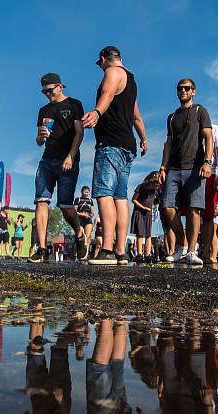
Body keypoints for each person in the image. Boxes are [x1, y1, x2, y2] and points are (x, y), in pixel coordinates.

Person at [82, 46, 148, 266]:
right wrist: (144, 138)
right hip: (127, 145)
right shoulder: (130, 80)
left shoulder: (112, 72)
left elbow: (107, 94)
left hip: (111, 144)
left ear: (103, 59)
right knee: (120, 197)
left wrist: (97, 112)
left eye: (99, 64)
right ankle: (121, 252)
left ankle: (108, 250)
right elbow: (136, 115)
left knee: (103, 193)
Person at [28, 73, 86, 263]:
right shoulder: (43, 110)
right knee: (41, 201)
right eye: (44, 92)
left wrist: (71, 156)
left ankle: (79, 233)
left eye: (50, 90)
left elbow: (79, 133)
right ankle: (43, 249)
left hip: (67, 159)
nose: (47, 94)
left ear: (60, 86)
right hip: (47, 160)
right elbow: (38, 141)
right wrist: (41, 136)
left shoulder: (74, 104)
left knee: (65, 205)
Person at [158, 78, 214, 266]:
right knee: (167, 207)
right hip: (173, 167)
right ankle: (182, 245)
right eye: (180, 88)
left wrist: (207, 162)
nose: (183, 91)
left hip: (195, 167)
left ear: (193, 91)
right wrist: (163, 167)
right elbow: (168, 144)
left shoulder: (200, 111)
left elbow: (208, 137)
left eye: (187, 88)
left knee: (193, 209)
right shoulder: (172, 117)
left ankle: (191, 250)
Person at [201, 123, 218, 264]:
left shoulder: (216, 128)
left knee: (210, 217)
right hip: (196, 175)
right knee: (199, 216)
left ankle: (210, 254)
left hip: (212, 174)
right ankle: (204, 252)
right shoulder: (193, 127)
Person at [130, 172, 158, 263]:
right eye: (155, 184)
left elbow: (156, 200)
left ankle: (148, 255)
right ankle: (139, 254)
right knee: (140, 234)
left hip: (148, 213)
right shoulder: (141, 187)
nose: (156, 186)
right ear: (150, 181)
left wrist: (156, 205)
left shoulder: (155, 189)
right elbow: (133, 200)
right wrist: (143, 207)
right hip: (139, 212)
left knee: (148, 234)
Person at [75, 186, 96, 259]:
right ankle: (80, 252)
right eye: (85, 192)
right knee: (79, 236)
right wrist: (83, 214)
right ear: (82, 192)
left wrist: (91, 215)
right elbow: (75, 211)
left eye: (87, 192)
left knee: (88, 236)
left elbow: (92, 212)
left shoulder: (90, 200)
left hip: (88, 220)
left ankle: (85, 255)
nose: (86, 193)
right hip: (79, 219)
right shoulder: (78, 199)